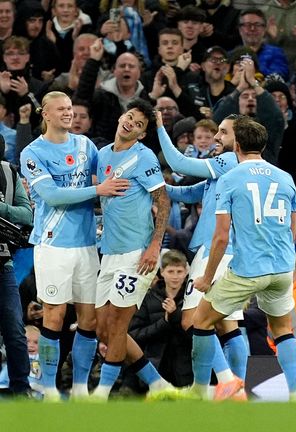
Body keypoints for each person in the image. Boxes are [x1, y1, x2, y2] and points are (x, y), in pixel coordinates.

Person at [19, 91, 129, 401]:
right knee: (53, 316)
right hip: (53, 245)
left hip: (86, 244)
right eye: (62, 109)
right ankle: (48, 386)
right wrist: (98, 188)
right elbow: (52, 196)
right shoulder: (33, 152)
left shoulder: (85, 145)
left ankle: (80, 387)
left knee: (89, 319)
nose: (69, 114)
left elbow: (107, 171)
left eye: (71, 108)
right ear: (46, 114)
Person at [191, 116, 296, 401]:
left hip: (248, 268)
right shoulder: (286, 177)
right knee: (282, 330)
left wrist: (206, 277)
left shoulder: (230, 179)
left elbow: (221, 236)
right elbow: (292, 229)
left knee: (200, 321)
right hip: (282, 267)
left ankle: (200, 392)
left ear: (237, 145)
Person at [159, 112, 249, 395]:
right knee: (227, 324)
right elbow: (185, 194)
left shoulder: (230, 161)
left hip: (216, 252)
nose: (217, 137)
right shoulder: (226, 171)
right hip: (234, 255)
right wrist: (147, 182)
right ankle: (239, 389)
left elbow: (178, 163)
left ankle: (224, 380)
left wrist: (160, 128)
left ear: (240, 139)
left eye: (223, 132)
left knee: (192, 319)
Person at [91, 99, 173, 400]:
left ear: (141, 135)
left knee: (117, 324)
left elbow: (163, 200)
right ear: (120, 117)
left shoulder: (144, 156)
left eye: (139, 124)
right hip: (109, 250)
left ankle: (102, 393)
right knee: (102, 328)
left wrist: (155, 245)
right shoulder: (102, 155)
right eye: (130, 117)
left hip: (136, 253)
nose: (131, 123)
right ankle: (157, 383)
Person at [128, 249, 192, 388]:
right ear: (162, 272)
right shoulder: (148, 299)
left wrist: (175, 317)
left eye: (179, 271)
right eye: (171, 271)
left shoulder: (193, 299)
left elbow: (199, 336)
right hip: (155, 367)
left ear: (186, 272)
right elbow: (134, 335)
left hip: (186, 369)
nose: (175, 276)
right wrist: (164, 322)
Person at [0, 131, 33, 398]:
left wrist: (2, 210)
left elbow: (27, 213)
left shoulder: (9, 173)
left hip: (2, 261)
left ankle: (21, 389)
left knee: (14, 328)